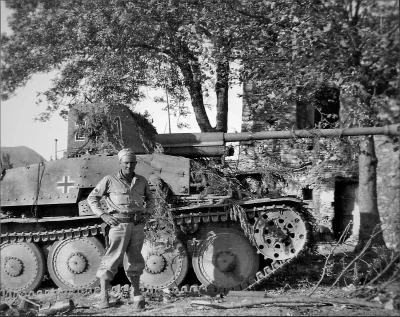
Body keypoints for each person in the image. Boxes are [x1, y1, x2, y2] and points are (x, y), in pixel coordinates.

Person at [87, 148, 154, 310]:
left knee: (136, 260)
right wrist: (103, 215)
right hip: (118, 225)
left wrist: (147, 214)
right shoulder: (109, 180)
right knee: (112, 259)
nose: (129, 166)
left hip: (137, 226)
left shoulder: (141, 181)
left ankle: (136, 295)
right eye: (126, 163)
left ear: (135, 164)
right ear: (120, 163)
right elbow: (92, 198)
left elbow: (151, 200)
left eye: (132, 163)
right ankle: (104, 296)